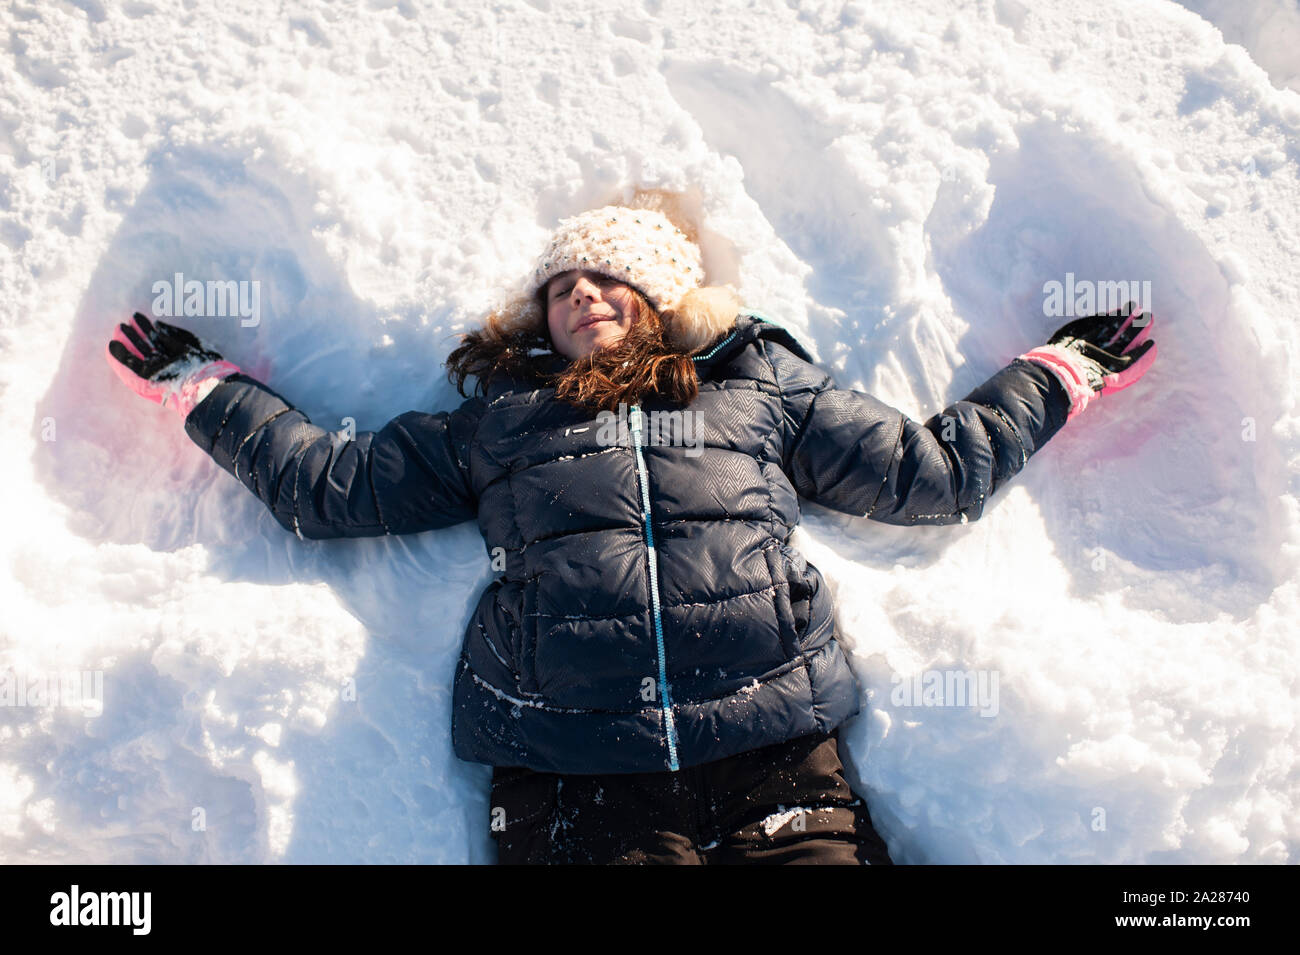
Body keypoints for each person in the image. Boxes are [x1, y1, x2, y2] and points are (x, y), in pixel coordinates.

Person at [105, 191, 1157, 865]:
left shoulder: (757, 386)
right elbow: (333, 489)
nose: (581, 296)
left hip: (774, 745)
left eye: (607, 277)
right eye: (561, 286)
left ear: (659, 297)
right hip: (573, 765)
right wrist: (205, 388)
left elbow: (926, 474)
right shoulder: (503, 417)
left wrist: (1057, 373)